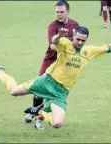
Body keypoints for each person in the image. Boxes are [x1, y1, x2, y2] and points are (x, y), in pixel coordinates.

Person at [0, 26, 111, 129]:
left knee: (57, 123)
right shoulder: (65, 43)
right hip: (46, 81)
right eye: (77, 39)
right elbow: (54, 41)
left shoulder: (89, 51)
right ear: (74, 37)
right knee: (13, 92)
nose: (79, 42)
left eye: (82, 40)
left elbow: (109, 48)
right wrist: (59, 35)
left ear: (86, 41)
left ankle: (42, 113)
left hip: (61, 93)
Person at [24, 0, 79, 129]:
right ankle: (33, 111)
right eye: (57, 12)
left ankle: (40, 118)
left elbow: (78, 43)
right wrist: (67, 45)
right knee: (38, 91)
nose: (59, 14)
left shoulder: (75, 25)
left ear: (68, 11)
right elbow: (53, 46)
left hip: (64, 65)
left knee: (54, 94)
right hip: (50, 61)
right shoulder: (52, 26)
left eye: (62, 12)